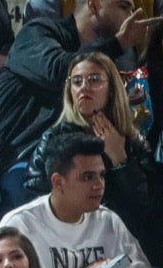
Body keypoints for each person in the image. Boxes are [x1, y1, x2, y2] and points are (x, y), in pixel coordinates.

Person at [0, 0, 157, 186]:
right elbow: (58, 71)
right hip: (22, 157)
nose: (132, 14)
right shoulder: (37, 32)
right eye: (124, 6)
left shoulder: (108, 53)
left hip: (84, 158)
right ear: (93, 6)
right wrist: (118, 43)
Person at [0, 132, 155, 268]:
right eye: (87, 177)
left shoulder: (109, 221)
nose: (99, 185)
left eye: (102, 175)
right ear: (58, 182)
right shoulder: (20, 225)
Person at [23, 51, 157, 247]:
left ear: (111, 89)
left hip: (122, 239)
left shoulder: (132, 141)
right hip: (65, 239)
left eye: (94, 80)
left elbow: (148, 211)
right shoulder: (53, 139)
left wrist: (121, 161)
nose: (84, 87)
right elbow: (34, 198)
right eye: (76, 81)